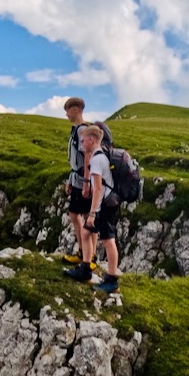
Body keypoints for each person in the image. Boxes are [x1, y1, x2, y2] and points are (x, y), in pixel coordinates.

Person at [81, 124, 121, 293]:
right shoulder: (101, 156)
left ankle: (112, 280)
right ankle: (85, 268)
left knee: (108, 241)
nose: (82, 144)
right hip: (106, 203)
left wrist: (92, 213)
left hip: (104, 205)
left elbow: (97, 189)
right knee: (85, 233)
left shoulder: (97, 160)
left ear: (91, 140)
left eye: (83, 141)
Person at [61, 98, 96, 281]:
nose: (66, 114)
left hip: (82, 180)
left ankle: (88, 256)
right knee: (79, 216)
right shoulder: (78, 130)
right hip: (78, 178)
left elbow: (87, 155)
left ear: (75, 109)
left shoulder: (82, 130)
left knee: (81, 216)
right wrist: (71, 179)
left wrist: (86, 182)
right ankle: (86, 254)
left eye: (67, 110)